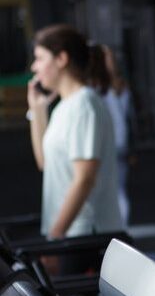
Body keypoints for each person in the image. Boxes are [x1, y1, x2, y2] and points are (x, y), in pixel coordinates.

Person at [27, 25, 123, 257]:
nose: (34, 67)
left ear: (61, 58)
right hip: (71, 234)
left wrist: (55, 237)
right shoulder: (64, 107)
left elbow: (84, 179)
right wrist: (37, 111)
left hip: (85, 235)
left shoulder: (84, 105)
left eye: (40, 58)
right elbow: (45, 163)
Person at [100, 45, 133, 225]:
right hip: (120, 142)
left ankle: (120, 228)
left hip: (110, 144)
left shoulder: (100, 89)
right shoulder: (120, 86)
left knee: (115, 191)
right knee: (118, 189)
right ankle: (121, 226)